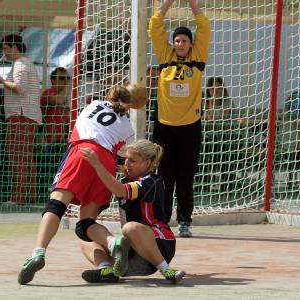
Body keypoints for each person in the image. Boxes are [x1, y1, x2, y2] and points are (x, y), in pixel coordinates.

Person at [17, 85, 137, 285]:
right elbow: (121, 159)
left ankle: (38, 253)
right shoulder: (129, 128)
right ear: (130, 105)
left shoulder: (93, 105)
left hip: (83, 151)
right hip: (106, 163)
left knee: (56, 205)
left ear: (109, 95)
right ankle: (112, 242)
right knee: (85, 225)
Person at [79, 139, 185, 284]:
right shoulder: (123, 181)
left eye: (132, 161)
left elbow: (120, 191)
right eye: (126, 159)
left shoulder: (152, 181)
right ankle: (107, 269)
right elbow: (114, 189)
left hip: (159, 245)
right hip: (134, 257)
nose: (127, 164)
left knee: (130, 228)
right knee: (86, 239)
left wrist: (97, 164)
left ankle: (166, 270)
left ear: (147, 163)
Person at [148, 0, 211, 237]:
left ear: (191, 44)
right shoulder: (165, 57)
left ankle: (185, 221)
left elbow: (204, 27)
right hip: (165, 126)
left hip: (190, 127)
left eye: (184, 40)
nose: (180, 43)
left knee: (185, 177)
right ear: (172, 44)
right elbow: (155, 26)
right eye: (177, 40)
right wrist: (167, 4)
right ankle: (162, 221)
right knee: (165, 176)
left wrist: (193, 5)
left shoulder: (198, 57)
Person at [0, 34, 42, 204]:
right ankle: (28, 195)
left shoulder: (20, 64)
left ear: (14, 47)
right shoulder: (24, 63)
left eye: (5, 48)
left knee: (17, 155)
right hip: (28, 114)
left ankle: (19, 196)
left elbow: (20, 88)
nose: (4, 52)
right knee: (26, 156)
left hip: (21, 115)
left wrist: (0, 80)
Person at [39, 67, 71, 194]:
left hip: (63, 139)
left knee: (62, 168)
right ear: (53, 80)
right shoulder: (48, 93)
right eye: (62, 78)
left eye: (67, 78)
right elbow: (59, 100)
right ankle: (48, 192)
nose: (65, 81)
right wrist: (69, 86)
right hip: (50, 139)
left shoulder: (66, 96)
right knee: (51, 169)